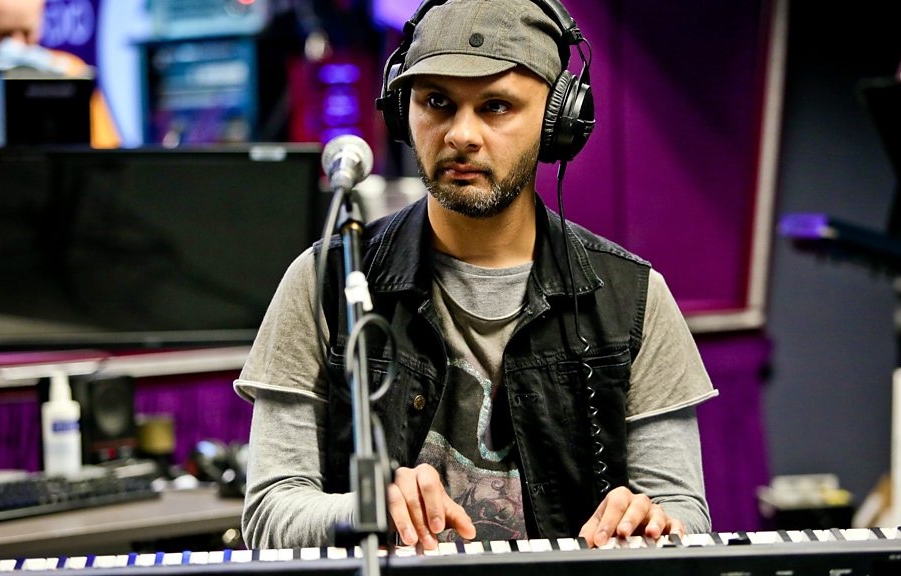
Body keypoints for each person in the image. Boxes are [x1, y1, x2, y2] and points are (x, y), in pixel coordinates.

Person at [235, 0, 716, 551]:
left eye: (496, 106)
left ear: (558, 122)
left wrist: (654, 521)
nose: (461, 134)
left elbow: (685, 511)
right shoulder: (325, 280)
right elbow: (269, 513)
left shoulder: (633, 298)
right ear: (403, 110)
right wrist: (365, 510)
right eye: (437, 102)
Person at [0, 0, 118, 147]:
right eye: (3, 34)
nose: (15, 45)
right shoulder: (69, 68)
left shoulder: (70, 70)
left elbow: (105, 148)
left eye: (25, 32)